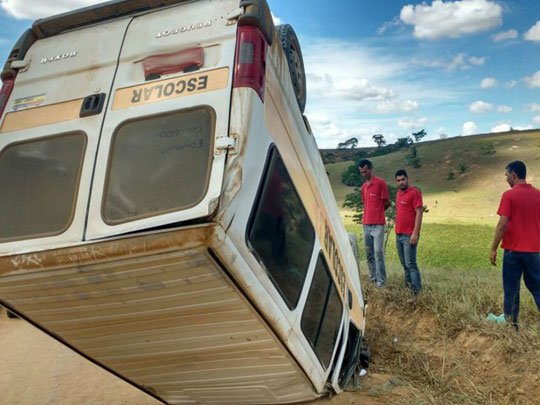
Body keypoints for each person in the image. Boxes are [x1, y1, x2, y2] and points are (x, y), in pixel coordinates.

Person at [490, 161, 540, 329]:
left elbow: (502, 225)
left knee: (511, 289)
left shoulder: (509, 195)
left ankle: (512, 325)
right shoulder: (538, 195)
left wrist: (493, 248)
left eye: (507, 175)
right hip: (533, 252)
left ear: (514, 174)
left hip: (513, 252)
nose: (506, 179)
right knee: (537, 288)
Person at [359, 159, 389, 287]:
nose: (364, 174)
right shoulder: (364, 187)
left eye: (365, 171)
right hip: (366, 224)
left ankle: (381, 283)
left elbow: (386, 202)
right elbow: (365, 204)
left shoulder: (380, 183)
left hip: (378, 224)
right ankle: (372, 280)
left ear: (371, 169)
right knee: (369, 254)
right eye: (361, 172)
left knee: (378, 253)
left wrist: (377, 212)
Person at [394, 169, 423, 294]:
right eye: (398, 180)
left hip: (409, 234)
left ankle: (416, 292)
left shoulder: (414, 192)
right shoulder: (398, 194)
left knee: (411, 263)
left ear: (407, 179)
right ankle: (408, 288)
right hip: (398, 233)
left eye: (403, 179)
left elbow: (419, 212)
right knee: (404, 264)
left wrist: (415, 233)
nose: (401, 182)